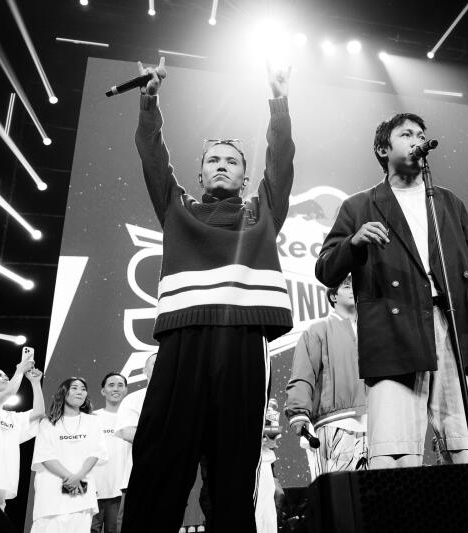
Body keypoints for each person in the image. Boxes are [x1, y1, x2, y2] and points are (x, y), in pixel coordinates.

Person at [122, 57, 295, 533]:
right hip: (183, 340)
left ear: (244, 176)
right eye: (213, 161)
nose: (222, 166)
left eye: (232, 162)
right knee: (160, 460)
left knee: (233, 469)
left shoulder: (263, 211)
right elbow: (152, 155)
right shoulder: (178, 209)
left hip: (242, 342)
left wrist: (278, 102)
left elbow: (280, 162)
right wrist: (149, 99)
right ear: (199, 175)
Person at [315, 112, 468, 468]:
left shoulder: (448, 201)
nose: (417, 139)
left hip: (452, 324)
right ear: (383, 148)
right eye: (406, 134)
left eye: (421, 134)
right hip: (395, 328)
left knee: (467, 445)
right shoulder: (359, 205)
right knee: (395, 451)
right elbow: (325, 268)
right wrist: (354, 242)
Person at [285, 275, 367, 476]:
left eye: (355, 285)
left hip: (376, 424)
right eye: (346, 286)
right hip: (335, 423)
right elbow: (303, 374)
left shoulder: (373, 331)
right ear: (333, 296)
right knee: (341, 496)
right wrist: (297, 412)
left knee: (376, 497)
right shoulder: (317, 330)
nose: (352, 289)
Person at [30, 377, 108, 533]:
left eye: (83, 389)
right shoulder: (48, 423)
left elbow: (95, 452)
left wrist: (79, 476)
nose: (80, 391)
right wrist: (70, 477)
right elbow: (45, 456)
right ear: (63, 392)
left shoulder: (93, 422)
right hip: (51, 493)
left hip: (81, 492)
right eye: (74, 388)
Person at [0, 351, 44, 511]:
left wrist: (35, 382)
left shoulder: (12, 417)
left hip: (3, 481)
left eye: (6, 375)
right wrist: (19, 370)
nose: (5, 377)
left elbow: (38, 413)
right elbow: (10, 392)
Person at [90, 372, 129, 533]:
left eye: (120, 385)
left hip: (121, 492)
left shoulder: (132, 418)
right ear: (103, 391)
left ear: (126, 390)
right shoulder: (92, 418)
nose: (116, 389)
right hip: (93, 491)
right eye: (111, 385)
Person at [115, 354, 155, 493]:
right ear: (144, 371)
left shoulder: (181, 400)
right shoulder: (133, 399)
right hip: (137, 478)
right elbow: (128, 432)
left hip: (170, 477)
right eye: (155, 364)